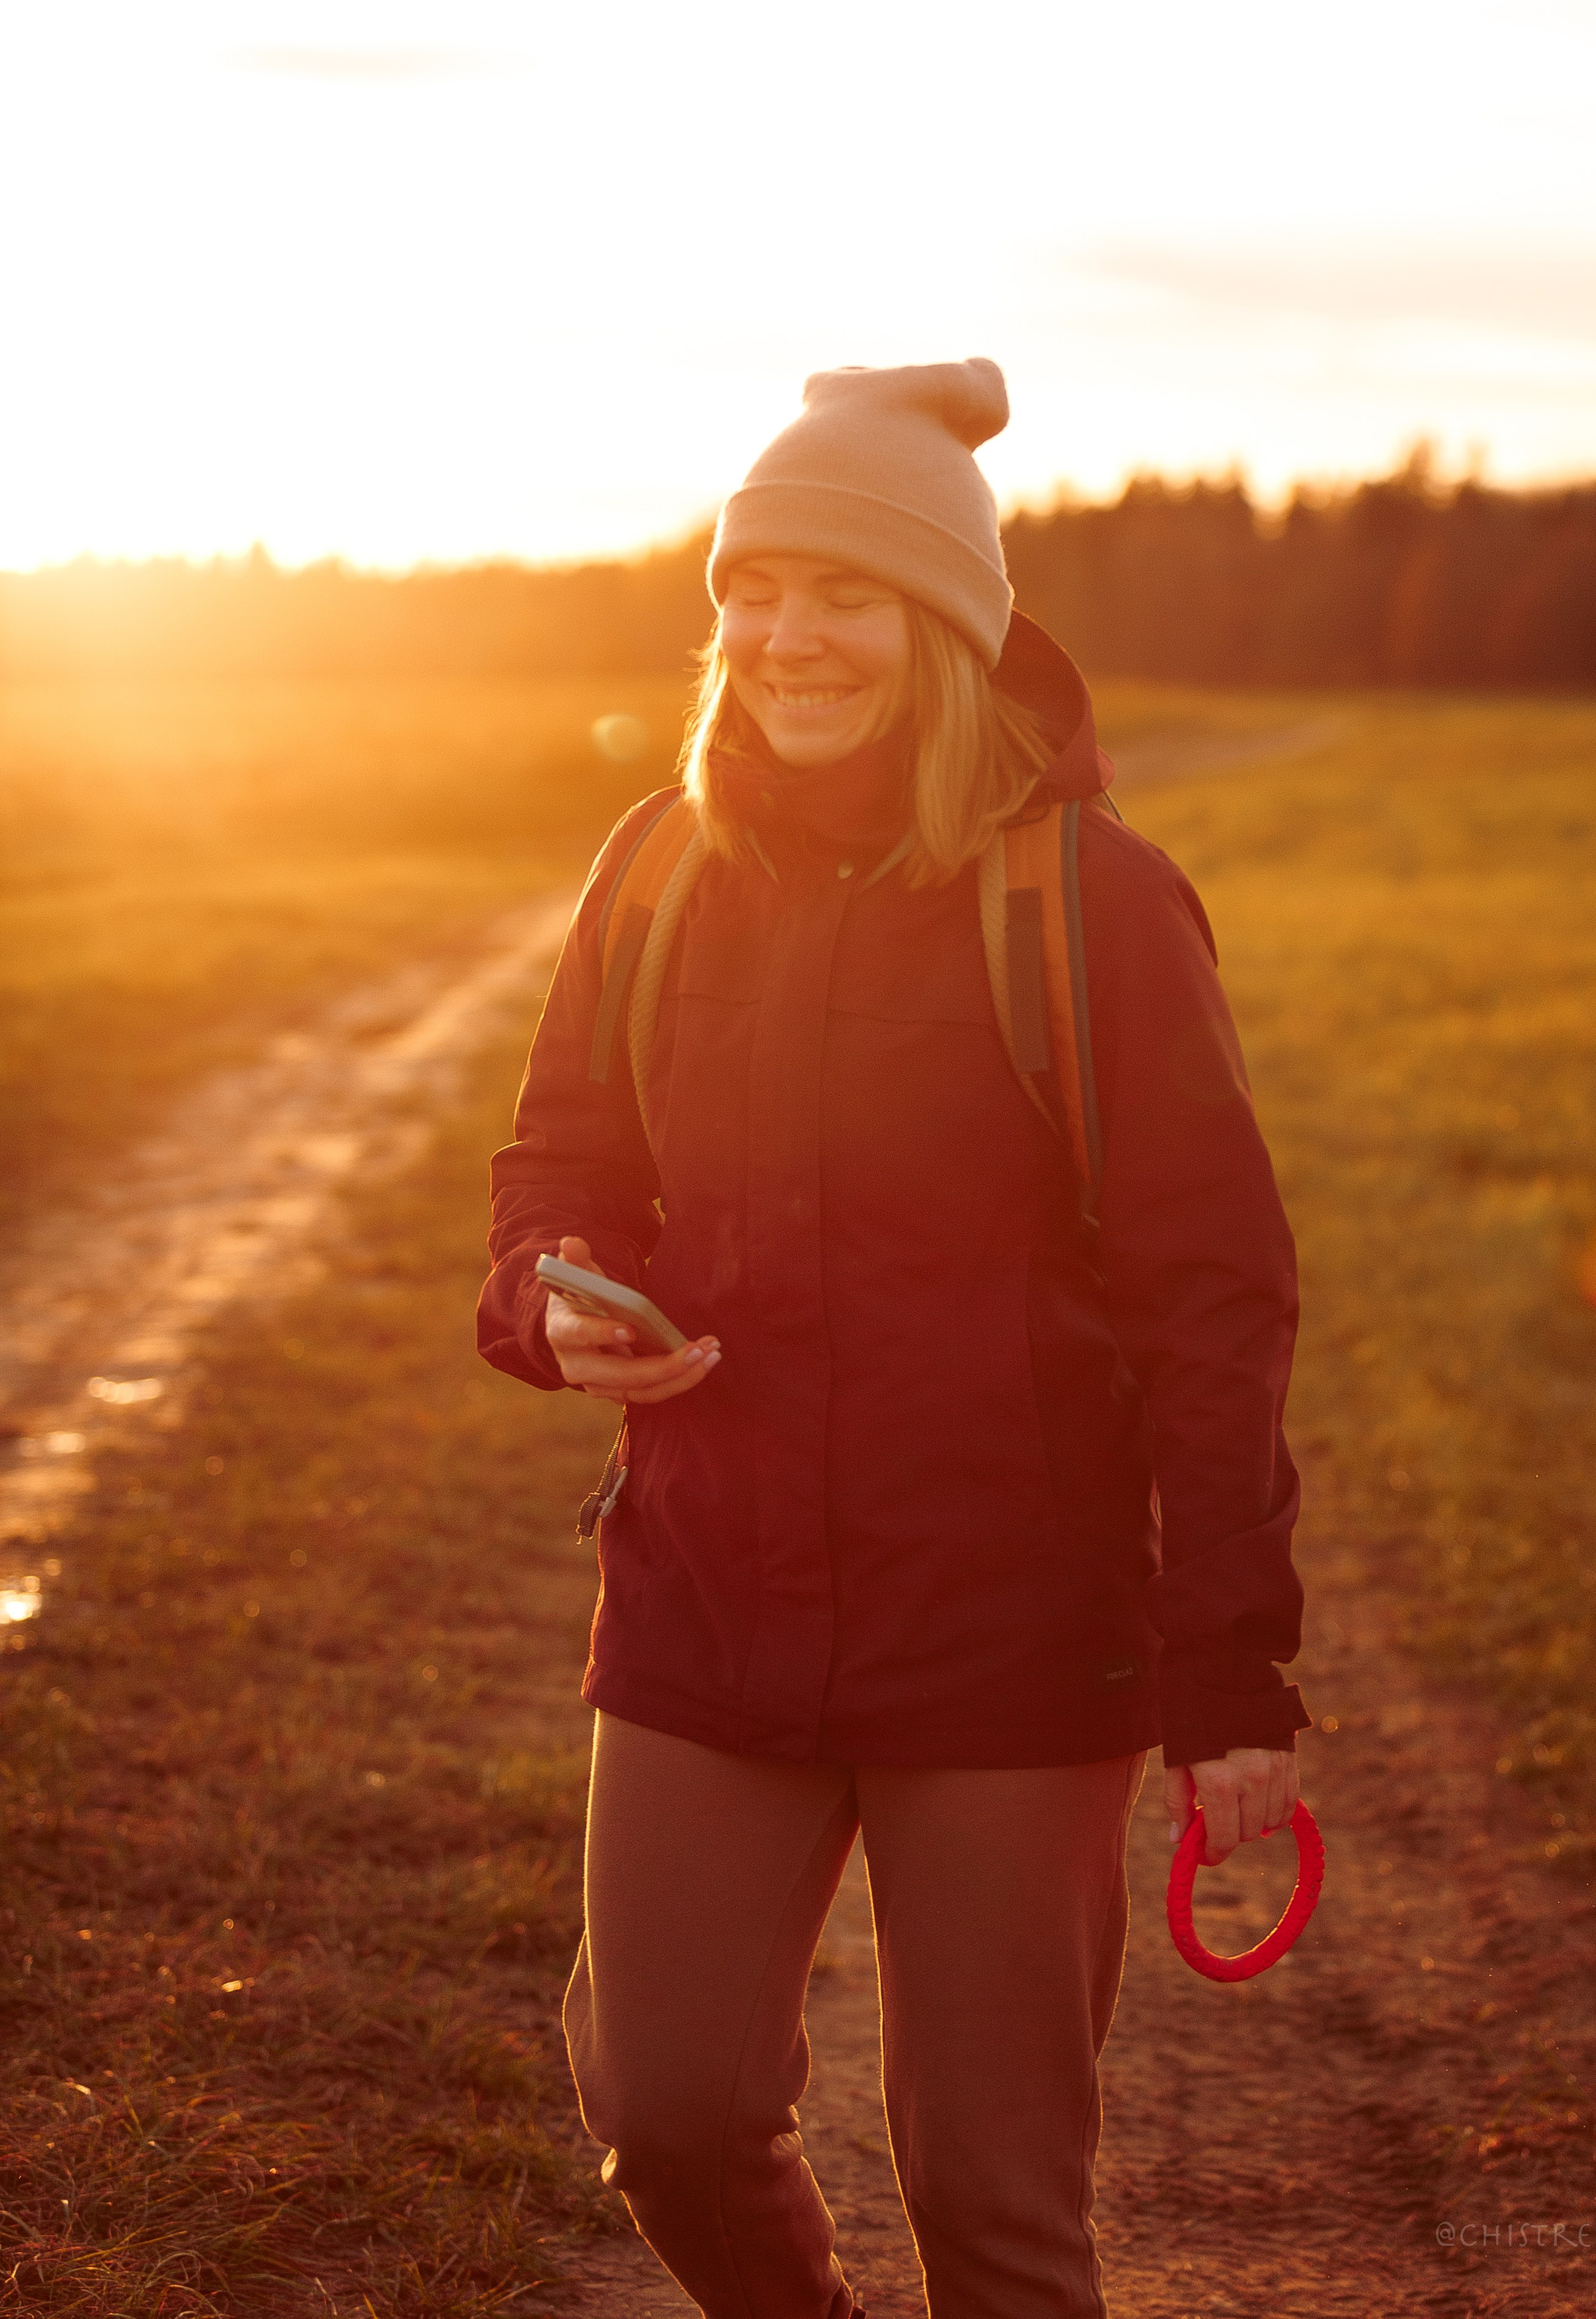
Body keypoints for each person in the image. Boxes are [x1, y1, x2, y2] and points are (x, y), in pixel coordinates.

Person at [477, 358, 1310, 2319]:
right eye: (753, 590)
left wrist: (1232, 1671)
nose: (785, 636)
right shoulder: (656, 867)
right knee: (666, 2107)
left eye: (842, 593)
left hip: (1013, 1637)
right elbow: (556, 1163)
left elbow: (1218, 1300)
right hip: (703, 1604)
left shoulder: (1091, 904)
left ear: (945, 622)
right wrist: (554, 1299)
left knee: (997, 2204)